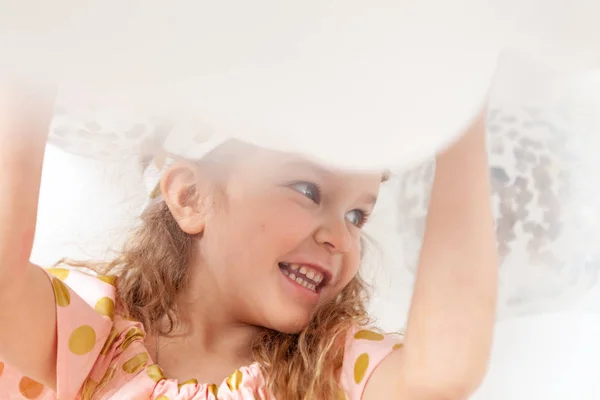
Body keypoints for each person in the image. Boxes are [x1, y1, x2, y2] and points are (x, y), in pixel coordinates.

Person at [0, 83, 498, 399]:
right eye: (307, 190)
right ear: (191, 197)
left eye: (357, 214)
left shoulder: (334, 368)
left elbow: (443, 374)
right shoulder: (99, 334)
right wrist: (32, 74)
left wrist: (463, 118)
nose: (339, 236)